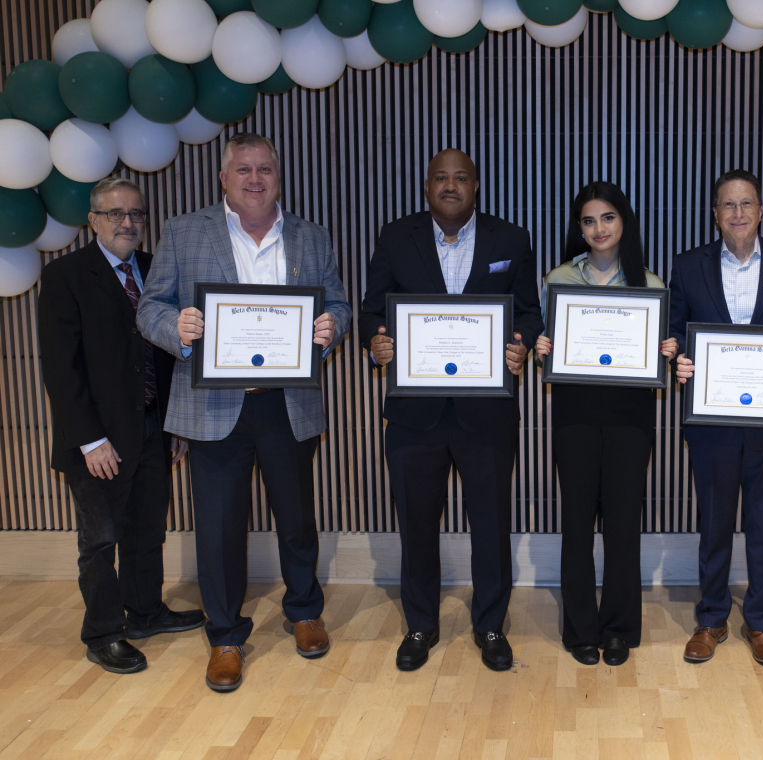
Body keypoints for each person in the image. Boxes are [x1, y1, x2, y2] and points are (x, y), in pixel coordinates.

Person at [137, 133, 352, 692]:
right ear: (223, 178)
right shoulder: (185, 233)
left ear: (278, 177)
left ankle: (304, 611)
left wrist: (331, 330)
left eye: (265, 170)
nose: (255, 179)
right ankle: (225, 636)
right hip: (214, 406)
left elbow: (339, 303)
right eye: (243, 170)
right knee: (217, 528)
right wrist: (174, 329)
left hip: (288, 403)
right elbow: (151, 306)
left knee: (297, 518)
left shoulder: (311, 236)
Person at [360, 148, 544, 673]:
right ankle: (420, 624)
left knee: (491, 523)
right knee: (416, 523)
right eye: (441, 177)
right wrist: (377, 341)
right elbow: (374, 308)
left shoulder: (511, 239)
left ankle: (490, 624)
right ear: (426, 185)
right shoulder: (396, 237)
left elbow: (529, 312)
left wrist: (521, 344)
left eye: (460, 177)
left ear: (476, 184)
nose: (450, 185)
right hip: (414, 413)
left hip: (486, 413)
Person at [38, 177, 205, 674]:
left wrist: (174, 422)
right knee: (100, 540)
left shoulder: (155, 270)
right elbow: (60, 369)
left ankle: (146, 612)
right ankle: (104, 632)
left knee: (147, 529)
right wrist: (91, 440)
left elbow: (169, 357)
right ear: (92, 220)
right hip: (97, 439)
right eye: (114, 214)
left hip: (153, 428)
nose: (127, 223)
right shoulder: (66, 275)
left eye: (135, 213)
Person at [670, 169, 763, 667]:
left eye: (746, 204)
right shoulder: (688, 267)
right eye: (727, 206)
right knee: (714, 524)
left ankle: (761, 623)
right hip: (711, 424)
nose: (737, 214)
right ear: (715, 214)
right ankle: (710, 619)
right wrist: (679, 358)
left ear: (761, 210)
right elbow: (676, 334)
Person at [533, 182, 677, 667]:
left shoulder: (650, 285)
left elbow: (662, 354)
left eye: (608, 218)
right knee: (575, 523)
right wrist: (542, 350)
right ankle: (580, 630)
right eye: (589, 221)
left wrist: (667, 351)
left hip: (629, 419)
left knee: (622, 525)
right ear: (579, 228)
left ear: (624, 223)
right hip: (573, 413)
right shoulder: (557, 278)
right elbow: (546, 345)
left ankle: (618, 629)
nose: (599, 229)